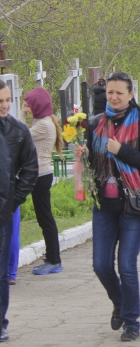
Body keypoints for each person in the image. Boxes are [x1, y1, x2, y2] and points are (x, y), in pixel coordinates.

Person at [79, 72, 140, 342]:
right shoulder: (95, 123)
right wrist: (86, 155)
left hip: (134, 202)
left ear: (130, 94)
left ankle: (131, 322)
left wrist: (121, 150)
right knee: (101, 265)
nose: (113, 97)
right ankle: (119, 302)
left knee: (126, 265)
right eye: (110, 93)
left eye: (119, 93)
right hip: (105, 204)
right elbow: (95, 163)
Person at [0, 80, 38, 342]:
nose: (4, 106)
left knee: (1, 272)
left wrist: (13, 199)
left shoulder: (18, 131)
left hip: (4, 209)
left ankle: (0, 322)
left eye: (7, 101)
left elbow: (30, 168)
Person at [22, 88, 64, 275]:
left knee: (45, 218)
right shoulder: (42, 121)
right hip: (38, 175)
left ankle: (53, 260)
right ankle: (52, 258)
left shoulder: (43, 125)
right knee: (44, 218)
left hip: (40, 176)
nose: (28, 108)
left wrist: (22, 113)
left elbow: (19, 135)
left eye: (29, 104)